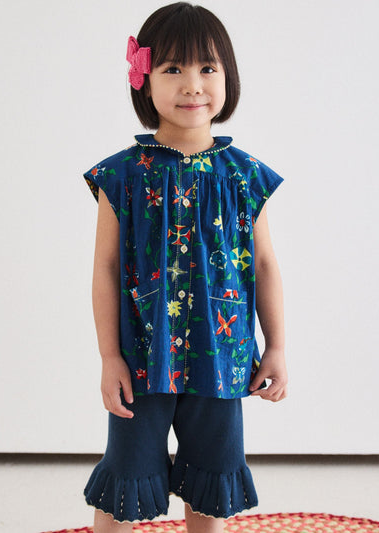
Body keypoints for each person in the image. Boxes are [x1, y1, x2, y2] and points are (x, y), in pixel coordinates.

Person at [82, 3, 288, 532]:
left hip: (222, 359)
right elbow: (105, 269)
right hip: (142, 359)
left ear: (227, 77)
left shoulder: (245, 177)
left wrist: (277, 346)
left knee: (210, 481)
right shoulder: (121, 177)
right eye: (173, 68)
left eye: (207, 68)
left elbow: (265, 265)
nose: (192, 84)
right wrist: (109, 356)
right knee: (126, 476)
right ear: (144, 79)